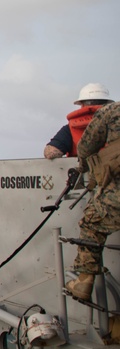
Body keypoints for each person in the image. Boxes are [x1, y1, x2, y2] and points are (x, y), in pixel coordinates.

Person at [64, 100, 120, 301]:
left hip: (116, 197)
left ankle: (84, 282)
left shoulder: (113, 111)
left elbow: (85, 147)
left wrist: (86, 167)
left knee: (92, 222)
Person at [45, 83, 113, 159]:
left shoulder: (70, 128)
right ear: (108, 104)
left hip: (81, 169)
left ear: (82, 104)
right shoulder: (116, 123)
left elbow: (51, 152)